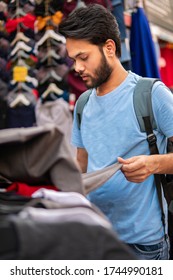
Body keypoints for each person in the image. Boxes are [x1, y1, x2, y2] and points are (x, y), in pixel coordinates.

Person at [59, 4, 173, 259]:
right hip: (94, 239)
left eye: (83, 57)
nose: (76, 67)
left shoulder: (152, 94)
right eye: (73, 59)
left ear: (109, 48)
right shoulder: (83, 104)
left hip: (144, 247)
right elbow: (81, 166)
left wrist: (153, 164)